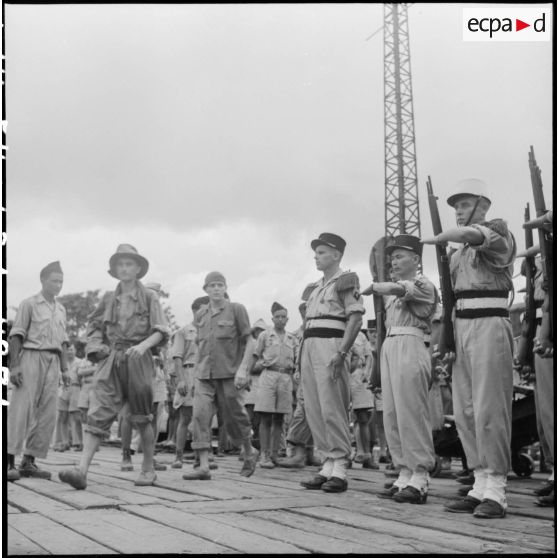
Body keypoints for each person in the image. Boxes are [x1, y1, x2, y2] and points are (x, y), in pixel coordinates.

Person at [423, 178, 516, 519]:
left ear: (483, 205)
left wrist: (440, 236)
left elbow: (472, 235)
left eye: (464, 205)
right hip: (461, 325)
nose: (459, 212)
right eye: (455, 207)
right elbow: (450, 299)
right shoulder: (457, 254)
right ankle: (479, 482)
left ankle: (497, 488)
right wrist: (446, 337)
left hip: (490, 323)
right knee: (465, 409)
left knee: (490, 406)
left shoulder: (497, 234)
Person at [58, 244, 169, 489]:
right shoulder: (109, 298)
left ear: (138, 268)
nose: (124, 268)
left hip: (139, 359)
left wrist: (143, 347)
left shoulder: (149, 297)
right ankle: (82, 470)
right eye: (120, 264)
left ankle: (148, 469)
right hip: (112, 359)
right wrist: (97, 348)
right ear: (114, 269)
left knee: (142, 416)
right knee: (98, 411)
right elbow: (95, 326)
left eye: (129, 264)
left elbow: (161, 331)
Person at [362, 234, 437, 504]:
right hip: (391, 345)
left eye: (400, 256)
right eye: (392, 257)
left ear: (416, 259)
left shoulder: (422, 284)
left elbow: (401, 290)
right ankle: (404, 470)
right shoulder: (392, 288)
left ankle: (420, 475)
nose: (394, 261)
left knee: (411, 413)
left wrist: (378, 286)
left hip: (412, 343)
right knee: (392, 414)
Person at [299, 233, 364, 493]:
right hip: (310, 346)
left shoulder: (346, 281)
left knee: (332, 406)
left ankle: (340, 467)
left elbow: (355, 318)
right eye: (316, 252)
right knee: (314, 408)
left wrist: (342, 352)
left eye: (322, 252)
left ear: (336, 255)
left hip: (331, 345)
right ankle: (327, 461)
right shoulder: (315, 288)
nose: (317, 256)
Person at [182, 271, 259, 480]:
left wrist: (244, 369)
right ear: (205, 290)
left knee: (234, 417)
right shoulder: (201, 314)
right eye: (212, 285)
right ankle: (204, 466)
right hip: (204, 375)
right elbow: (199, 346)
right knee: (200, 415)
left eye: (220, 285)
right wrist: (192, 377)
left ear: (225, 288)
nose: (216, 289)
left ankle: (249, 450)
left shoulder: (236, 310)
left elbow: (250, 341)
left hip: (229, 374)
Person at [7, 261, 69, 481]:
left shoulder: (61, 309)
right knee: (21, 410)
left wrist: (65, 369)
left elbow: (63, 343)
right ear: (43, 280)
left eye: (61, 281)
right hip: (31, 357)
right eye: (54, 280)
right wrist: (14, 366)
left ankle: (29, 462)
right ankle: (8, 461)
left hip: (53, 362)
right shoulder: (29, 304)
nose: (58, 285)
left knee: (47, 413)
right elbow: (16, 335)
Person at [248, 302, 298, 468]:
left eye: (283, 317)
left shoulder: (292, 338)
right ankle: (264, 454)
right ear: (272, 318)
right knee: (265, 417)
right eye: (277, 316)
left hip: (285, 377)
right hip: (268, 374)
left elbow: (298, 361)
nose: (280, 319)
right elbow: (255, 355)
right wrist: (247, 373)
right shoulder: (265, 335)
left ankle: (275, 454)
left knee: (279, 418)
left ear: (287, 319)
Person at [275, 302, 321, 469]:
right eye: (303, 313)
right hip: (302, 376)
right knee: (301, 412)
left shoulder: (320, 329)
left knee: (314, 413)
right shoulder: (295, 335)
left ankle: (309, 452)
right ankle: (298, 453)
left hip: (318, 372)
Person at [169, 296, 209, 468]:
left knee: (202, 418)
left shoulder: (210, 331)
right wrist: (181, 380)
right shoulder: (184, 331)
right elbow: (177, 357)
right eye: (203, 309)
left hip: (205, 374)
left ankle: (200, 457)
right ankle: (178, 455)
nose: (206, 312)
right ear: (194, 310)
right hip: (188, 371)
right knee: (185, 417)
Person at [349, 330, 378, 470]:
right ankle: (343, 454)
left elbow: (369, 356)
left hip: (359, 376)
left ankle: (367, 455)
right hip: (343, 374)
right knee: (340, 416)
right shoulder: (338, 329)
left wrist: (366, 372)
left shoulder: (360, 335)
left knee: (363, 417)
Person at [242, 318, 269, 453]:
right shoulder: (251, 345)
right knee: (249, 417)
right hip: (251, 385)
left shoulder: (267, 345)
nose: (260, 333)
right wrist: (260, 366)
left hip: (264, 384)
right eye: (258, 330)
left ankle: (258, 445)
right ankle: (245, 446)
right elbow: (247, 366)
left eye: (262, 330)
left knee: (261, 418)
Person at [53, 342, 83, 451]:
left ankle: (78, 442)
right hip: (63, 388)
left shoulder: (80, 362)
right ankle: (63, 442)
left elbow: (82, 378)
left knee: (76, 416)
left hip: (75, 387)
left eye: (72, 349)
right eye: (68, 349)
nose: (70, 351)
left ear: (75, 351)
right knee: (62, 415)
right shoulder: (61, 363)